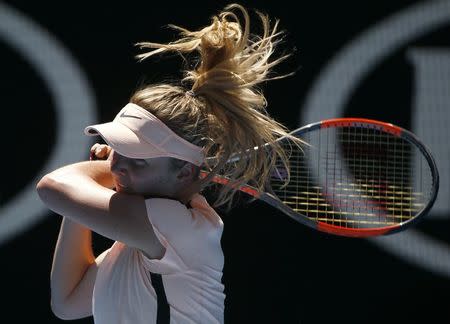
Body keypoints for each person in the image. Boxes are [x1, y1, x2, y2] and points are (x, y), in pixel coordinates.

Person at [36, 3, 300, 323]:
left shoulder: (173, 227)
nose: (119, 166)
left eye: (139, 160)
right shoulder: (141, 239)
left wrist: (100, 174)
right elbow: (68, 300)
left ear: (185, 171)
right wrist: (96, 186)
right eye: (117, 149)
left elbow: (52, 187)